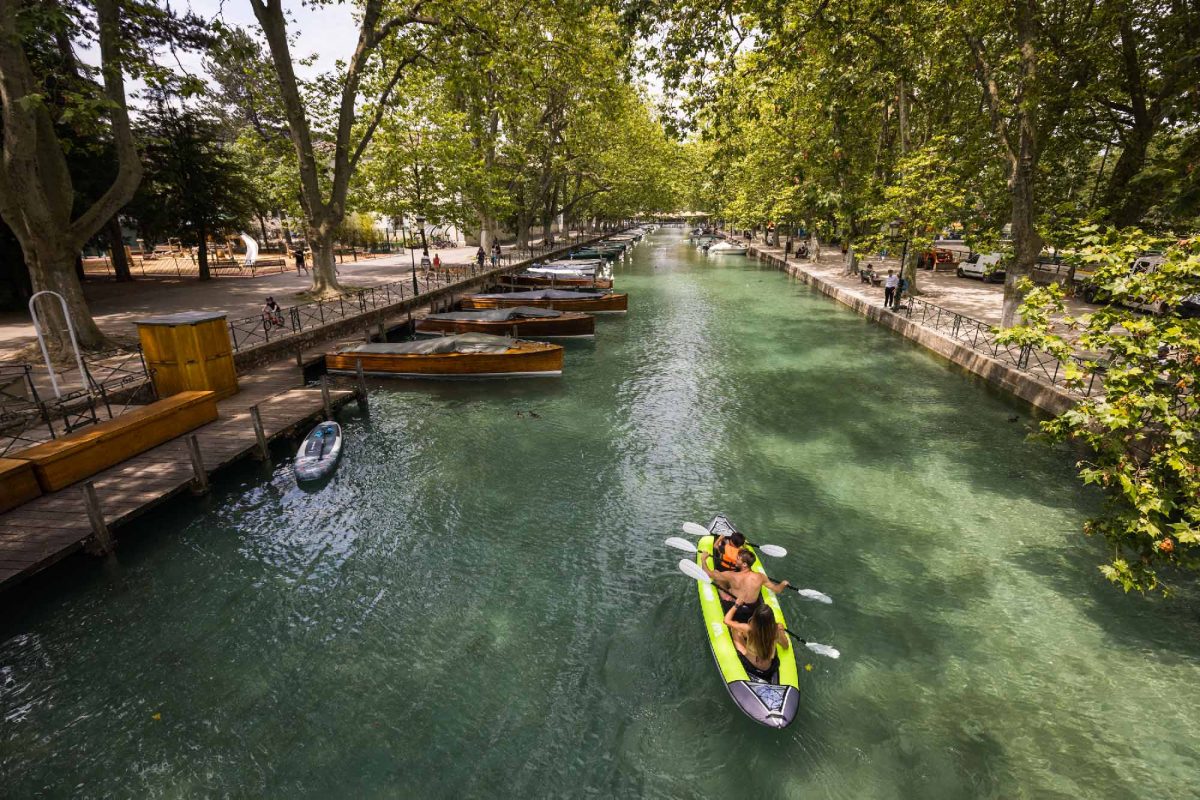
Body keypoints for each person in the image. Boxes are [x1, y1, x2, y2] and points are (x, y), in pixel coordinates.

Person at [703, 549, 790, 621]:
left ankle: (726, 597)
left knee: (717, 575)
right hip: (752, 609)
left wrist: (703, 559)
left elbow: (708, 574)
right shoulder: (760, 577)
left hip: (736, 608)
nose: (735, 560)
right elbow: (777, 590)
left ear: (744, 564)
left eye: (738, 558)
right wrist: (783, 584)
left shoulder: (731, 575)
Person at [724, 602, 789, 682]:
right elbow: (786, 646)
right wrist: (781, 631)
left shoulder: (748, 629)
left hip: (751, 665)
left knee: (735, 629)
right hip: (769, 668)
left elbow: (726, 620)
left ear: (755, 618)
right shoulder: (776, 631)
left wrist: (736, 604)